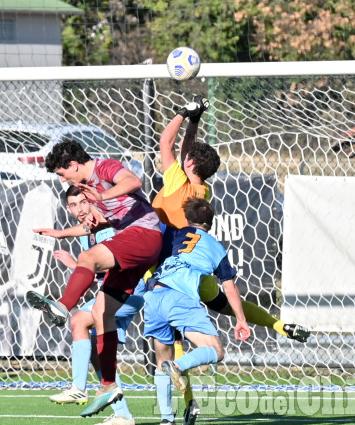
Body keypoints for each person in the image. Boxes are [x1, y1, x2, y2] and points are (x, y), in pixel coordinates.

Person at [150, 95, 311, 425]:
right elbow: (187, 153)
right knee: (222, 305)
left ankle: (176, 409)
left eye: (187, 160)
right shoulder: (202, 192)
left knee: (170, 346)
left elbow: (167, 142)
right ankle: (278, 325)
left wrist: (183, 112)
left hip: (165, 267)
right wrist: (195, 120)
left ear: (189, 167)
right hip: (196, 272)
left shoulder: (177, 184)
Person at [26, 139, 163, 418]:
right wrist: (60, 233)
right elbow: (105, 219)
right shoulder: (91, 190)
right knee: (102, 312)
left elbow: (133, 181)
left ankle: (62, 306)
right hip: (136, 243)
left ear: (73, 165)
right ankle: (109, 385)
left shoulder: (104, 167)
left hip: (145, 236)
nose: (62, 179)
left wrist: (101, 197)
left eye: (62, 174)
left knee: (88, 260)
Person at [144, 197, 251, 425]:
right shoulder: (215, 246)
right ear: (211, 223)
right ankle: (178, 366)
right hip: (179, 298)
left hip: (153, 297)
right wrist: (241, 319)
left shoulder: (173, 234)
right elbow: (229, 288)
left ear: (186, 219)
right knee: (216, 351)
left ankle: (166, 420)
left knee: (162, 359)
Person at [48, 185, 143, 425]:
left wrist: (80, 264)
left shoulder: (106, 223)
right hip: (113, 291)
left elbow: (117, 260)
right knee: (97, 351)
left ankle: (79, 387)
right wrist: (74, 259)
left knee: (78, 320)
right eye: (73, 205)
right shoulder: (87, 230)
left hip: (129, 289)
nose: (79, 208)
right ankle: (123, 416)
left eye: (82, 202)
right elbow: (94, 258)